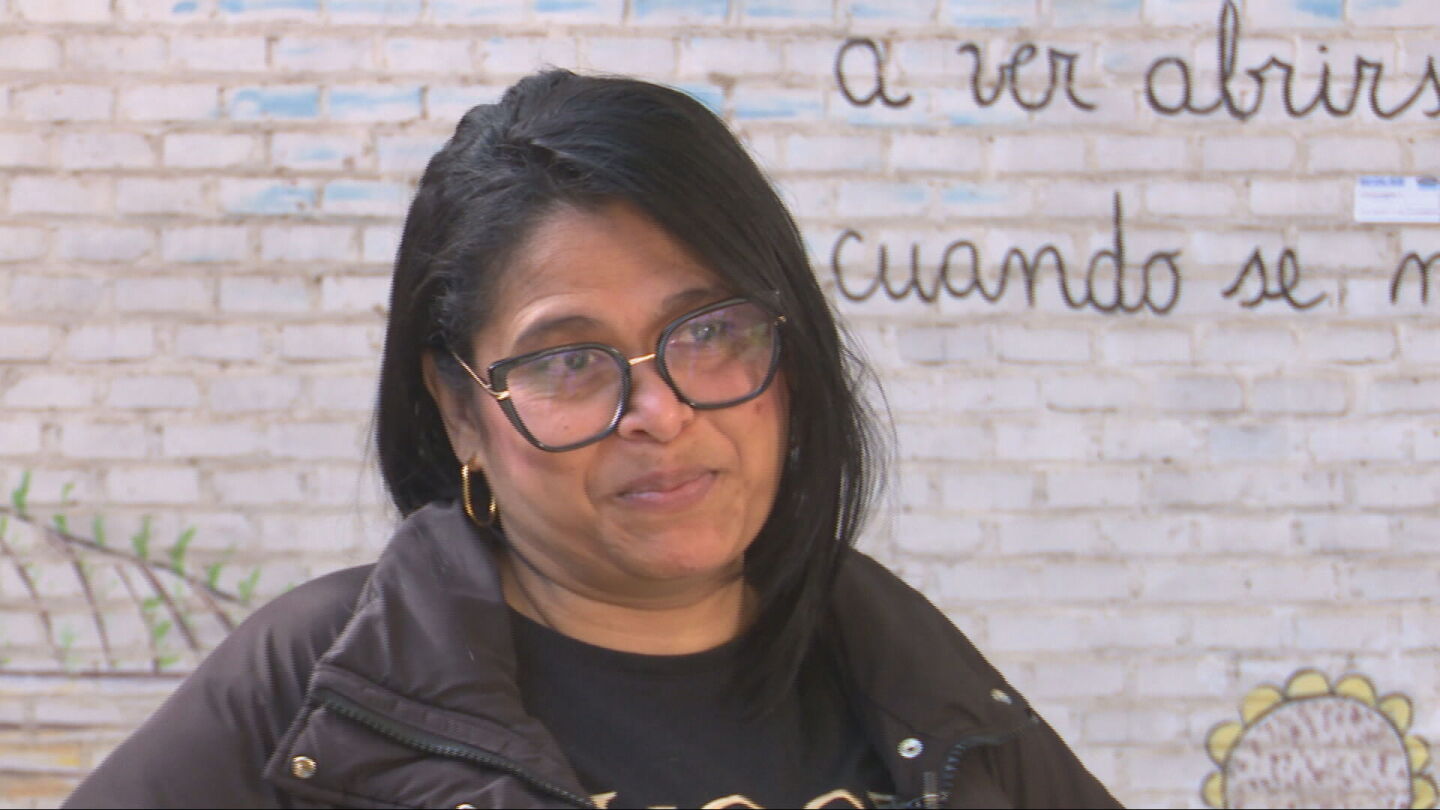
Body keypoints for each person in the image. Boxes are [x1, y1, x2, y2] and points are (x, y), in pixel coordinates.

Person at [64, 69, 1119, 809]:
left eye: (709, 333)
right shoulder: (320, 686)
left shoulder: (900, 666)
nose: (661, 412)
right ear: (461, 409)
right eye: (568, 360)